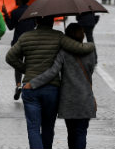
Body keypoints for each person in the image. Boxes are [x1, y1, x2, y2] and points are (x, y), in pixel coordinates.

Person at [6, 17, 96, 149]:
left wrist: (27, 69)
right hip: (51, 89)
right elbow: (78, 48)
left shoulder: (26, 37)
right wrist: (91, 45)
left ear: (36, 21)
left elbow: (10, 57)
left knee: (33, 128)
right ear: (52, 22)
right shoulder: (58, 37)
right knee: (48, 127)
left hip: (31, 87)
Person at [2, 0, 36, 100]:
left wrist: (6, 15)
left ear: (20, 0)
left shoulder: (15, 12)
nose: (15, 0)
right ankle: (26, 84)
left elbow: (11, 26)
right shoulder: (32, 11)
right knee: (30, 64)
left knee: (18, 64)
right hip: (31, 42)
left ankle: (18, 85)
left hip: (18, 42)